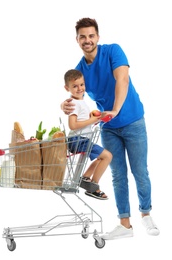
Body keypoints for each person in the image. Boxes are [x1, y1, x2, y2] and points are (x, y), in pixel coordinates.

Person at [61, 17, 160, 239]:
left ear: (97, 36)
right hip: (107, 128)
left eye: (91, 35)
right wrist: (65, 102)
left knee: (140, 171)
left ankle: (146, 215)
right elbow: (75, 92)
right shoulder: (80, 69)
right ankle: (125, 224)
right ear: (77, 40)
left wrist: (114, 110)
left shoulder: (113, 51)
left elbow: (122, 80)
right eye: (83, 37)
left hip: (132, 120)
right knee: (117, 174)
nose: (87, 40)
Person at [64, 69, 112, 200]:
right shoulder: (73, 103)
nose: (79, 88)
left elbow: (82, 121)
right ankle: (93, 187)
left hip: (81, 139)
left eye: (82, 84)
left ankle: (85, 178)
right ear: (67, 88)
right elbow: (73, 125)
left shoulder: (81, 101)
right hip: (77, 140)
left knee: (100, 157)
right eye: (75, 86)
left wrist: (94, 118)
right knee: (107, 156)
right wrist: (92, 120)